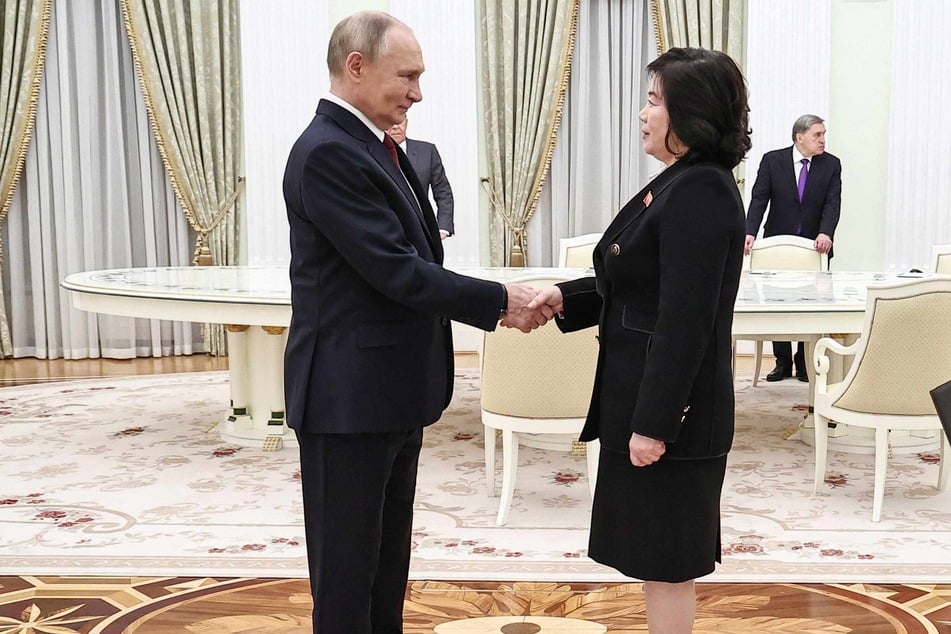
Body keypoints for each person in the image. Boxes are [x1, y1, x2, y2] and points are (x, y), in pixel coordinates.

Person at [282, 11, 547, 633]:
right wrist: (500, 301)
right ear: (356, 66)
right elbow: (396, 271)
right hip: (346, 400)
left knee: (384, 567)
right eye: (408, 75)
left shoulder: (369, 146)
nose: (417, 92)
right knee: (348, 579)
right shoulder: (327, 153)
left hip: (387, 393)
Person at [528, 47, 750, 633]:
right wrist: (565, 296)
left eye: (655, 100)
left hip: (672, 415)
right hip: (645, 401)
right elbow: (634, 283)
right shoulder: (681, 181)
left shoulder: (701, 190)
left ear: (691, 113)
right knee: (658, 558)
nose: (644, 113)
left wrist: (654, 423)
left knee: (670, 561)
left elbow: (685, 321)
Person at [745, 114, 842, 382]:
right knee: (778, 302)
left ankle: (803, 362)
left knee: (810, 304)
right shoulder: (772, 161)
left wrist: (826, 232)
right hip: (778, 243)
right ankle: (782, 362)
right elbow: (759, 198)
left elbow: (832, 203)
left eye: (823, 134)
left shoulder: (831, 165)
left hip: (814, 246)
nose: (823, 140)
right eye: (817, 135)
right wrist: (749, 232)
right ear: (800, 137)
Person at [386, 116, 454, 239]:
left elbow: (443, 192)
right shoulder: (370, 151)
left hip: (420, 233)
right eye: (391, 122)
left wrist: (442, 228)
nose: (396, 126)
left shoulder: (427, 151)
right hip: (385, 232)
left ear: (406, 123)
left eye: (400, 121)